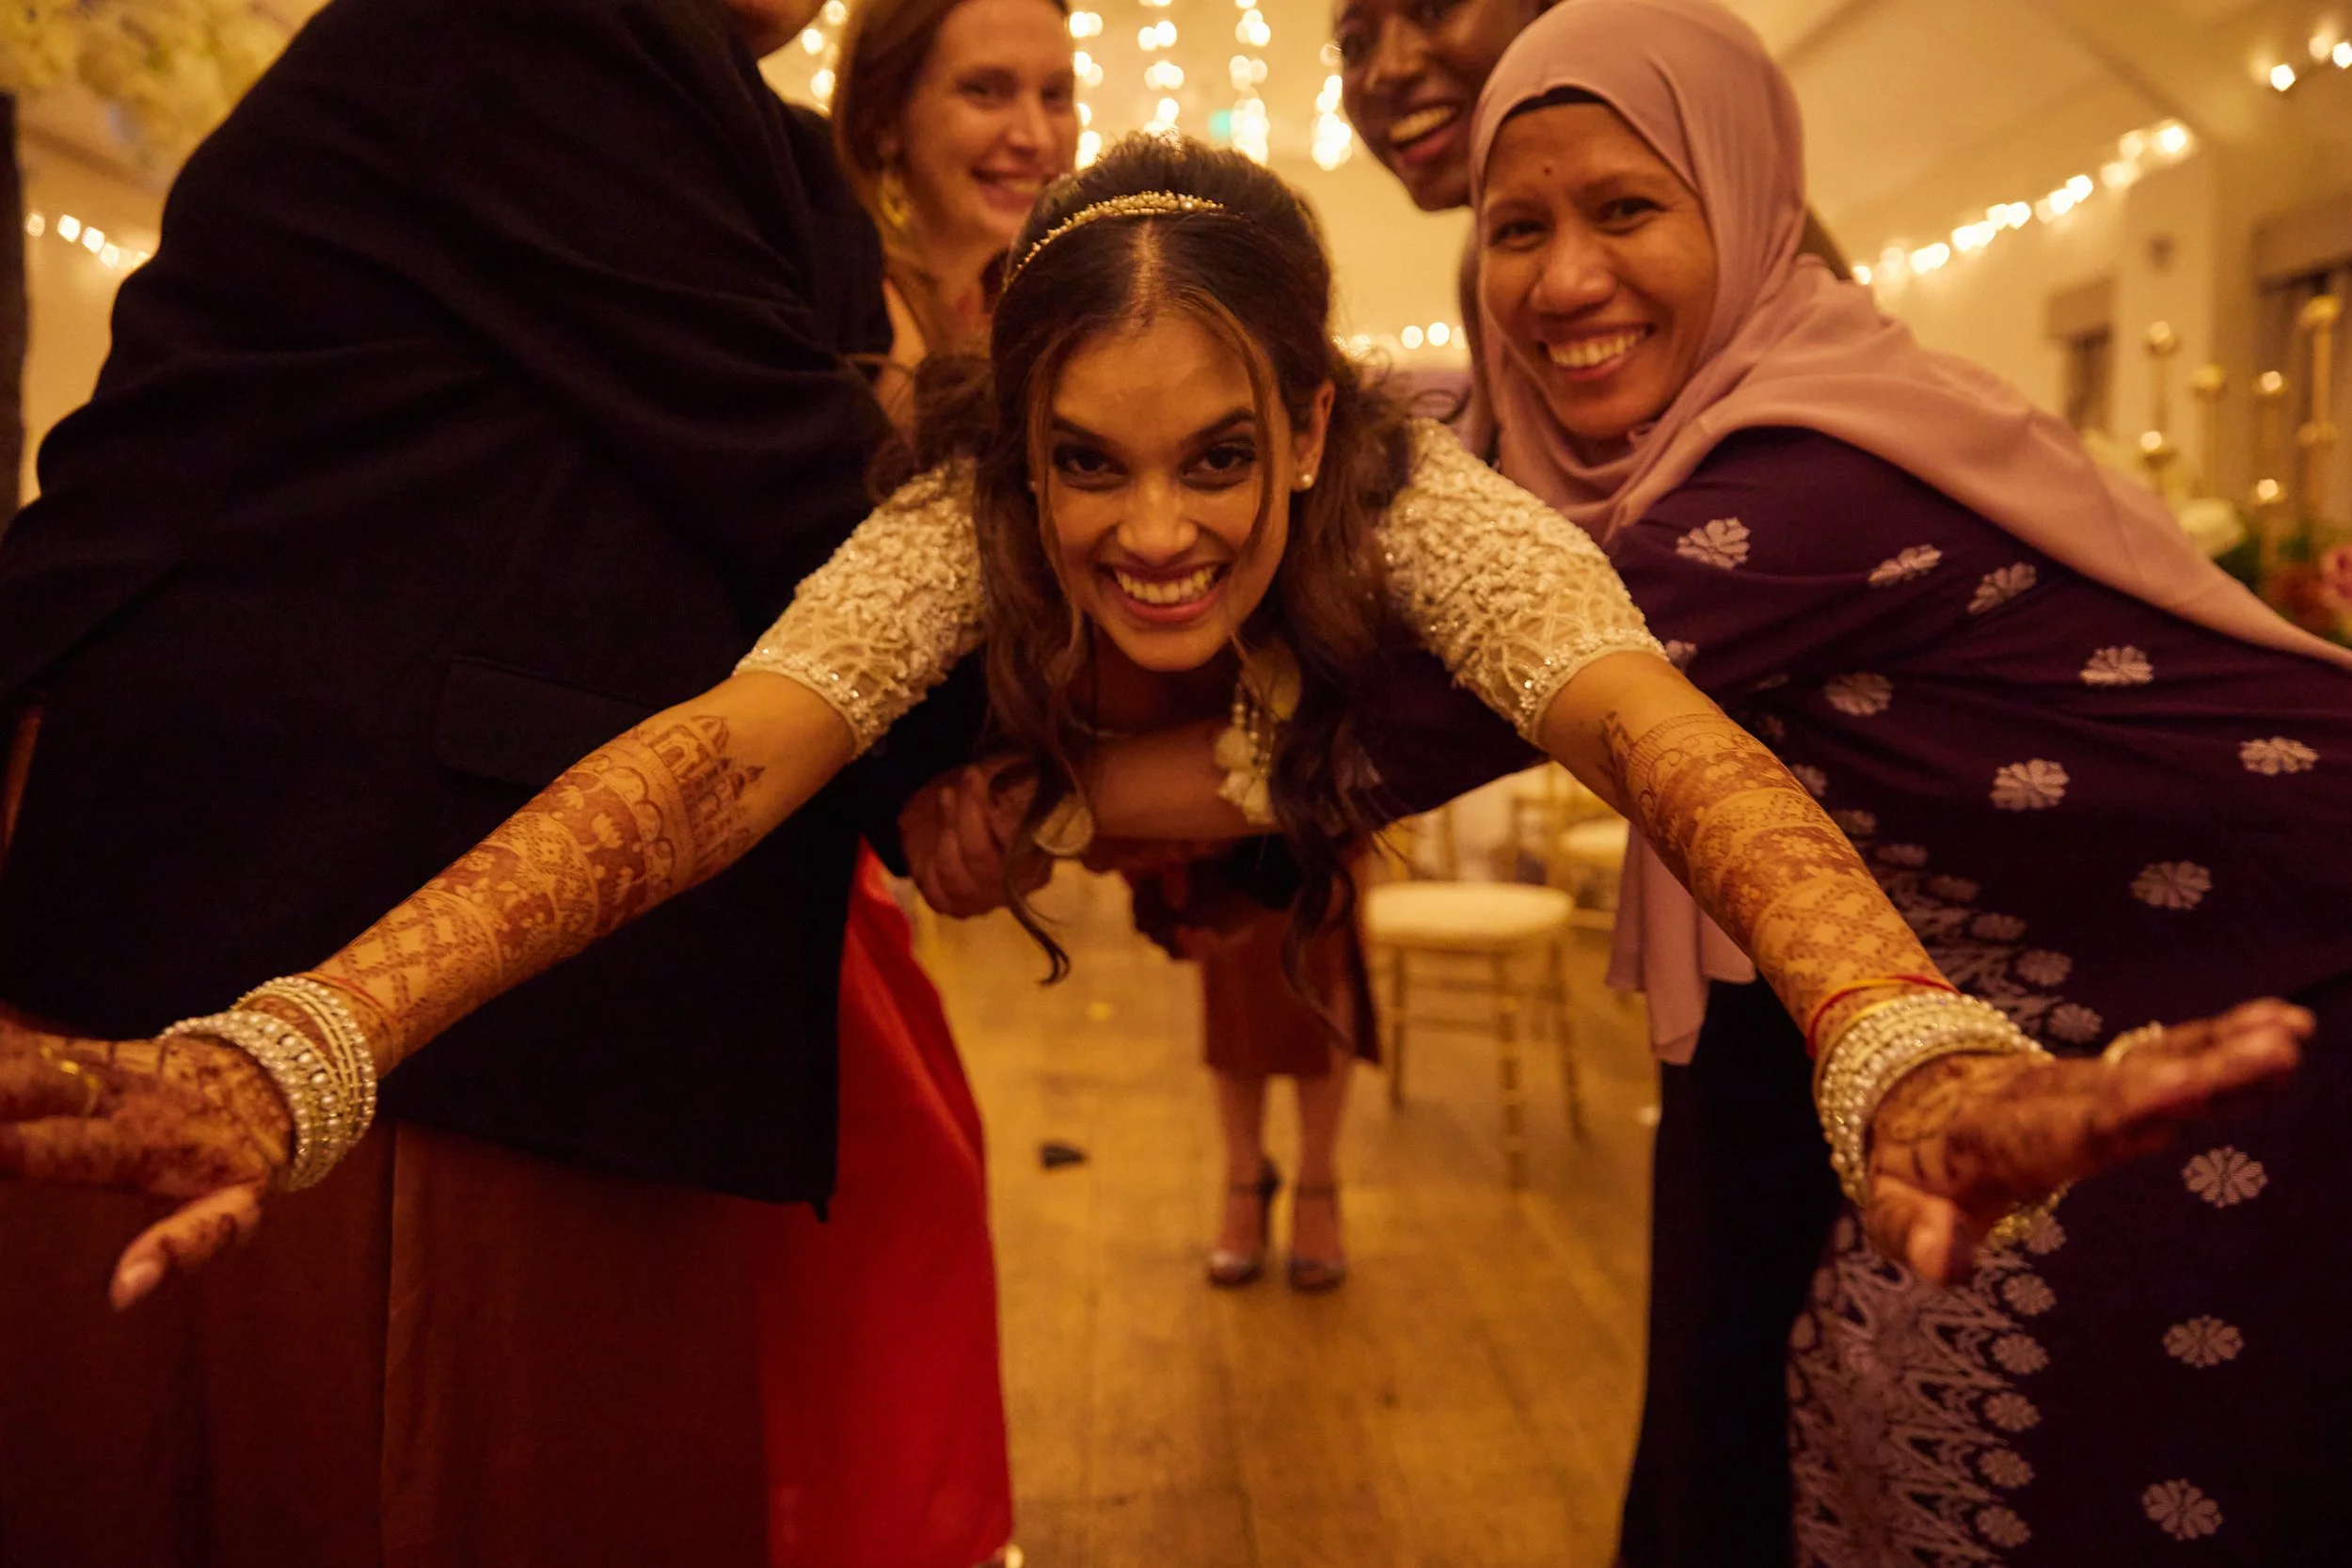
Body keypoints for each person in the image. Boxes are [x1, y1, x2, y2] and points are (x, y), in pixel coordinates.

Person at [0, 141, 2304, 1486]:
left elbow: (1675, 748)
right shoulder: (948, 532)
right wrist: (306, 1041)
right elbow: (704, 767)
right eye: (1085, 464)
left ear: (1306, 424)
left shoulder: (1439, 518)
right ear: (1014, 448)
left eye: (1215, 458)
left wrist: (1890, 1030)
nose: (1155, 533)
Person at [0, 0, 986, 1560]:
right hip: (317, 902)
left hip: (459, 952)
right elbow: (784, 470)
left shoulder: (739, 121)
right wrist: (1073, 747)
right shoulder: (531, 23)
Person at [1462, 3, 2352, 1560]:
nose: (1564, 279)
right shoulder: (1701, 437)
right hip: (2060, 1006)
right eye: (1514, 225)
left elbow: (1416, 707)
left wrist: (992, 779)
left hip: (2269, 1017)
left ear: (1747, 213)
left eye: (1626, 209)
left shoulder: (1798, 477)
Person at [754, 4, 1073, 1560]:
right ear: (884, 117)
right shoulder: (843, 310)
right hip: (791, 806)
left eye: (1056, 93)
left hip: (882, 841)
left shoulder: (1013, 316)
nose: (1034, 128)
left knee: (917, 1189)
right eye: (989, 90)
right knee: (897, 1197)